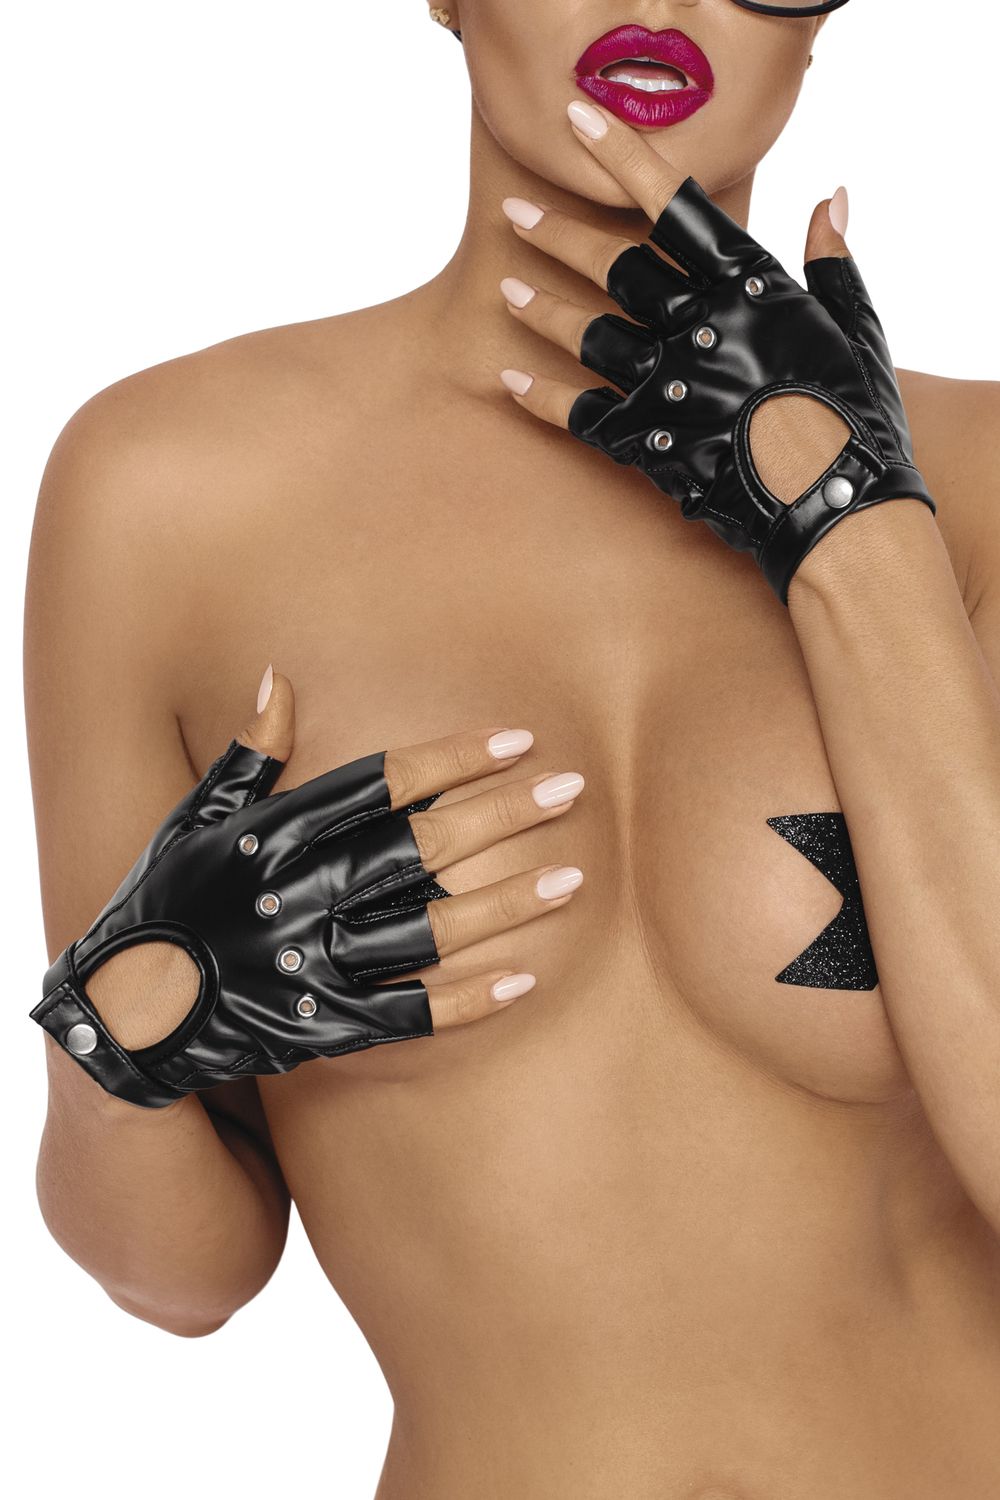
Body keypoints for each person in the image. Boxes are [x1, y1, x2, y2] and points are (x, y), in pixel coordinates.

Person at [24, 1, 1000, 1494]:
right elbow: (182, 1281)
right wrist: (116, 1051)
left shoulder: (983, 495)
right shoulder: (164, 496)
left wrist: (856, 532)